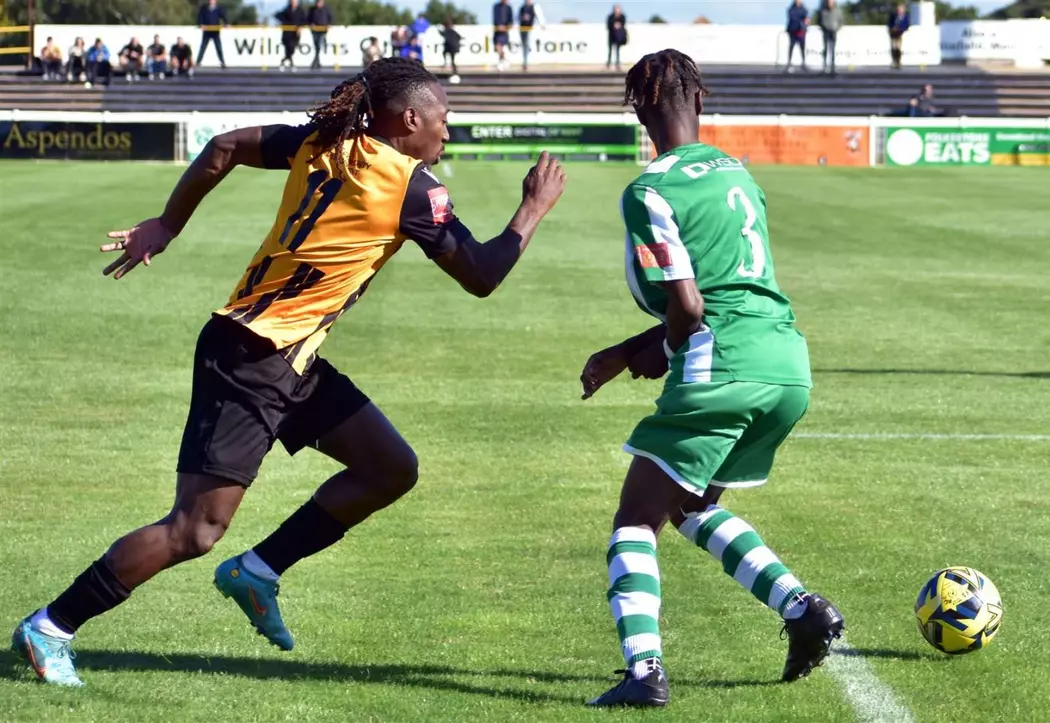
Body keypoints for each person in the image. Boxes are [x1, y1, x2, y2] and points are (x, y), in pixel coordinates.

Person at [11, 56, 566, 689]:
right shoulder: (412, 187)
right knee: (194, 529)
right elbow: (483, 274)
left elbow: (224, 147)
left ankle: (259, 571)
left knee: (390, 467)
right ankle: (52, 626)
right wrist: (533, 207)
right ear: (410, 119)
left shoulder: (324, 142)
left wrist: (168, 224)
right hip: (254, 359)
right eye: (444, 116)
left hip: (283, 355)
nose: (448, 128)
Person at [581, 48, 843, 708]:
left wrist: (667, 347)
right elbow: (725, 293)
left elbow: (691, 307)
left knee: (636, 520)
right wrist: (631, 350)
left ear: (638, 111)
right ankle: (803, 609)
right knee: (690, 505)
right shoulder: (737, 173)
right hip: (786, 365)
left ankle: (644, 672)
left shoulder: (649, 190)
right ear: (699, 100)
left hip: (721, 368)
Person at [276, 0, 308, 71]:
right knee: (288, 48)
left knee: (292, 49)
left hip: (295, 34)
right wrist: (284, 23)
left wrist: (299, 27)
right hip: (287, 33)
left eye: (295, 2)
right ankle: (291, 64)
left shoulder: (300, 11)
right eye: (293, 2)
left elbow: (304, 20)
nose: (294, 3)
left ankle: (283, 61)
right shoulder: (286, 10)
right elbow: (278, 16)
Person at [197, 0, 228, 68]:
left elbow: (223, 16)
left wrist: (226, 23)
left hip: (215, 31)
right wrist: (200, 24)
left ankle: (222, 62)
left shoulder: (218, 8)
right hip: (207, 30)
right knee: (203, 47)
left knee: (218, 47)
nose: (211, 1)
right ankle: (198, 62)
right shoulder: (204, 8)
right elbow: (200, 16)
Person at [518, 0, 545, 72]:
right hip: (522, 29)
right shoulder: (522, 8)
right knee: (524, 45)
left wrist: (542, 25)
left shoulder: (534, 7)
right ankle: (525, 62)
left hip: (530, 30)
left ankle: (526, 63)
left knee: (528, 45)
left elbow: (539, 16)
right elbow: (517, 18)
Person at [818, 0, 843, 76]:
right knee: (825, 49)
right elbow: (820, 21)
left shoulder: (837, 11)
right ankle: (824, 67)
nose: (830, 3)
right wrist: (824, 27)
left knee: (832, 49)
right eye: (829, 2)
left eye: (831, 2)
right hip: (826, 31)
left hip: (833, 31)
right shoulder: (823, 10)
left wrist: (836, 28)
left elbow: (841, 21)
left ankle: (833, 67)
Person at [786, 0, 809, 73]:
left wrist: (803, 23)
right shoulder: (791, 9)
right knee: (791, 46)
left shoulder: (804, 9)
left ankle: (803, 62)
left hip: (801, 31)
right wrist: (801, 20)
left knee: (802, 47)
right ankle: (789, 62)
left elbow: (806, 18)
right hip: (793, 30)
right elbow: (792, 18)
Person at [308, 0, 333, 70]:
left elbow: (330, 18)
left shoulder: (326, 9)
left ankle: (314, 63)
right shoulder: (312, 10)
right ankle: (317, 63)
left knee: (319, 45)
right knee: (316, 46)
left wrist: (328, 24)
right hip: (315, 31)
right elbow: (308, 19)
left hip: (323, 31)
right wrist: (311, 24)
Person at [493, 0, 513, 72]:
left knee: (501, 47)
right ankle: (503, 61)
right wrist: (498, 26)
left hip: (505, 31)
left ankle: (502, 62)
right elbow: (495, 18)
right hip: (497, 31)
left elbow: (511, 20)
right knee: (498, 47)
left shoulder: (509, 8)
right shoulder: (496, 7)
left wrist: (507, 27)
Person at [888, 3, 910, 70]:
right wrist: (892, 28)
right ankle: (894, 61)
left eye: (900, 9)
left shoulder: (905, 17)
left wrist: (900, 29)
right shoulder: (893, 16)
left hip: (900, 34)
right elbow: (889, 23)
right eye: (898, 9)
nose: (899, 10)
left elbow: (906, 25)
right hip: (893, 34)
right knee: (893, 48)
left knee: (898, 48)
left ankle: (898, 62)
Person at [606, 5, 627, 71]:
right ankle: (608, 64)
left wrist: (619, 25)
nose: (617, 10)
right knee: (610, 50)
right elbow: (608, 25)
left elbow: (623, 24)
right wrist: (613, 25)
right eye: (616, 9)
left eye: (618, 9)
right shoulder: (610, 16)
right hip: (611, 35)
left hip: (618, 36)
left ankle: (617, 64)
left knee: (617, 50)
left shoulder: (622, 16)